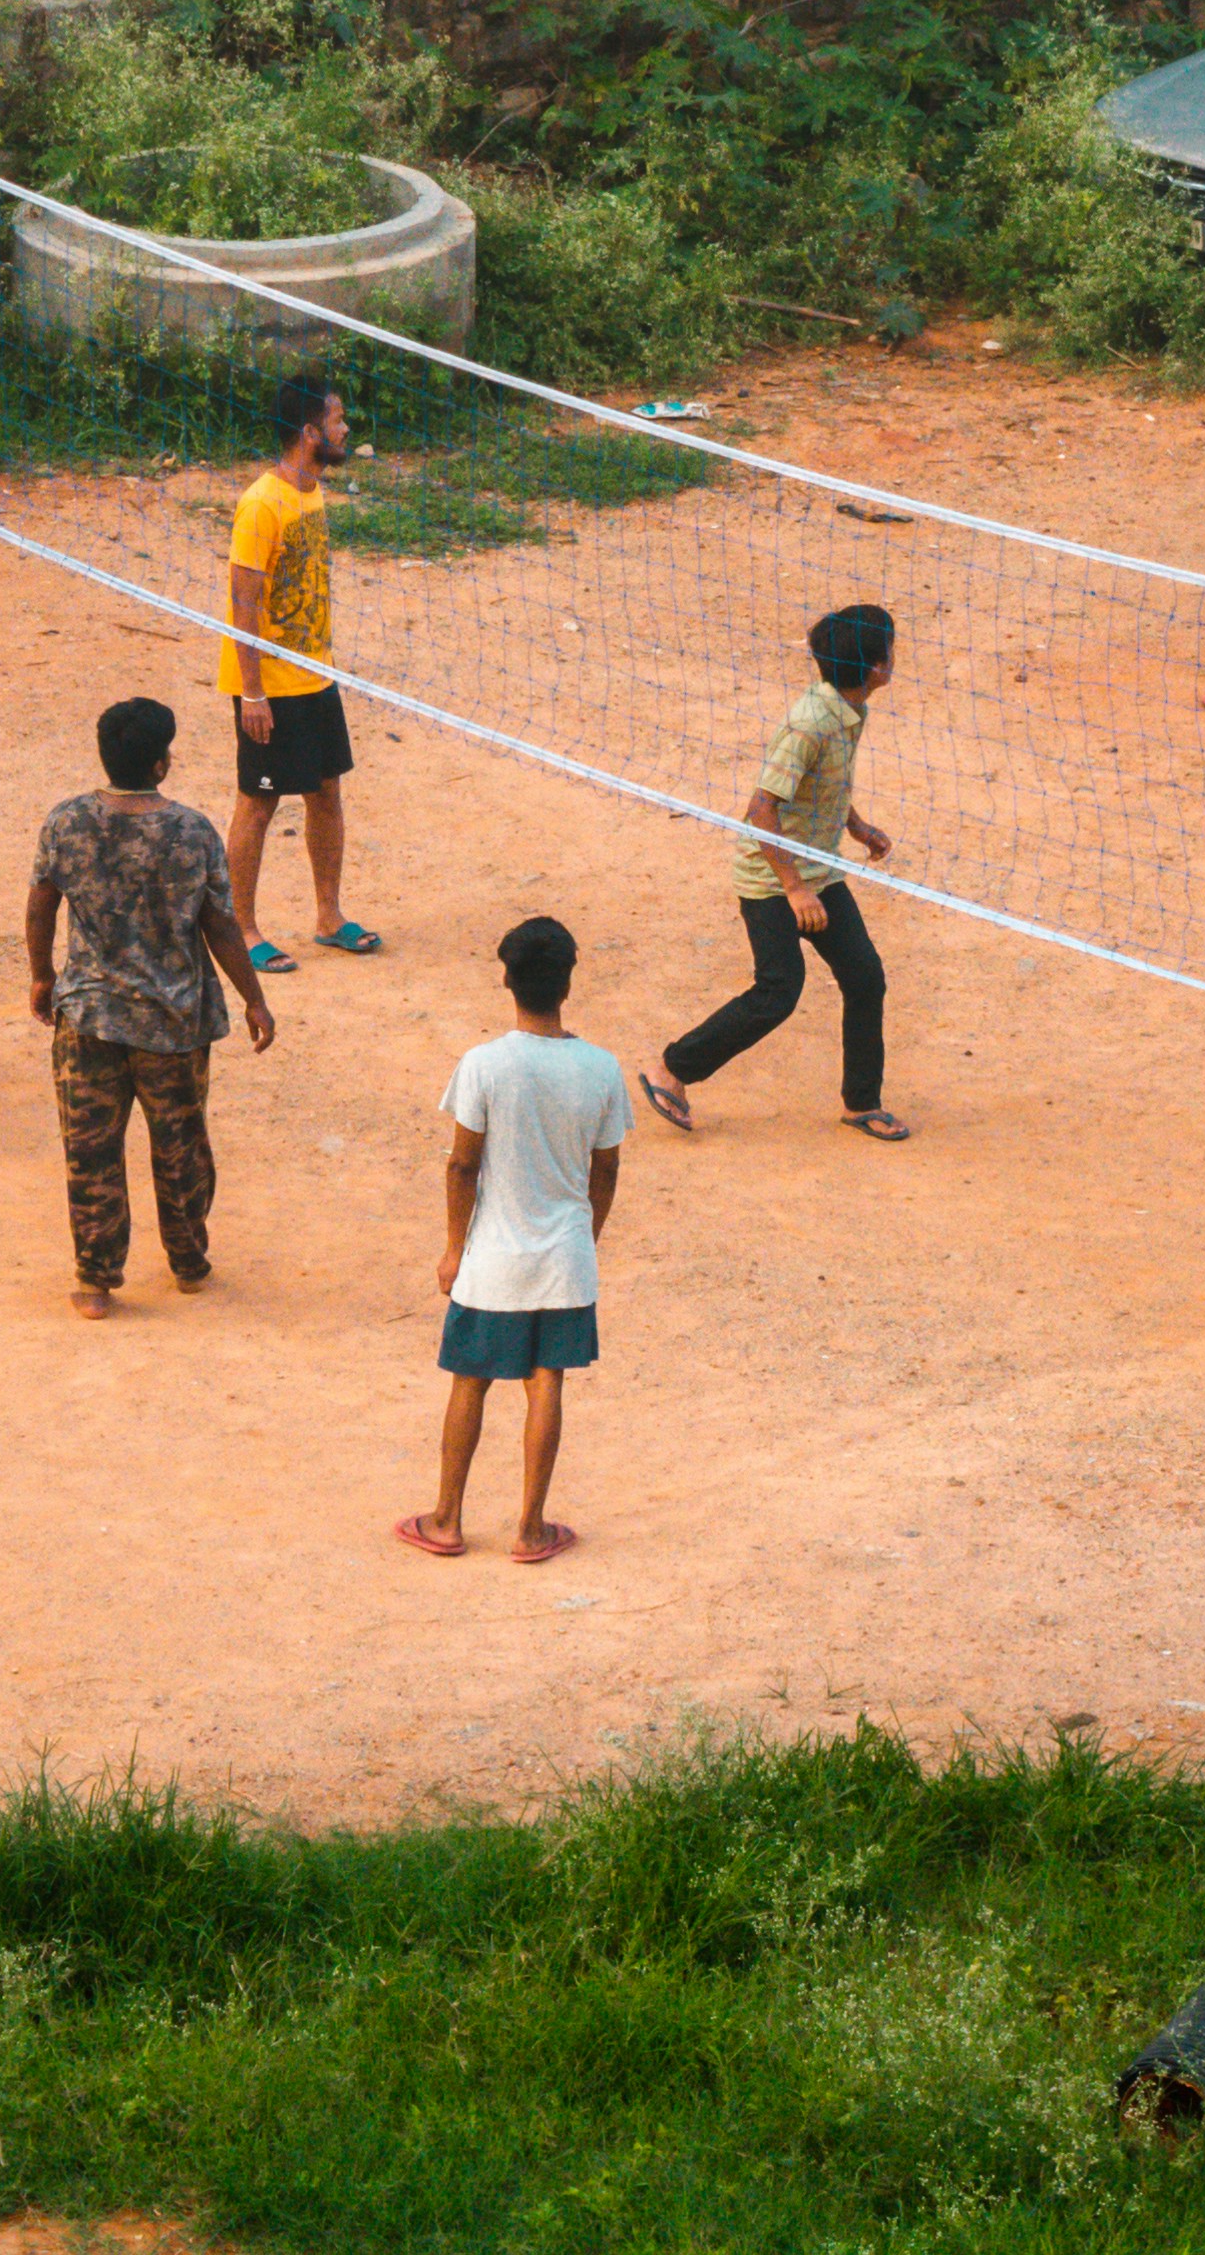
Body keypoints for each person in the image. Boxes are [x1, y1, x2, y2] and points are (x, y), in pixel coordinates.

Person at [26, 694, 274, 1317]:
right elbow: (220, 924)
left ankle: (95, 1278)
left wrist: (40, 976)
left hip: (88, 1018)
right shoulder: (191, 832)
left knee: (91, 1150)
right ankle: (188, 1262)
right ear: (161, 764)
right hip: (174, 1022)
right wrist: (254, 998)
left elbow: (40, 904)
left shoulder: (65, 822)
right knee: (182, 1147)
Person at [643, 606, 911, 1141]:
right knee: (779, 990)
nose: (896, 656)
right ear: (877, 667)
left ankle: (862, 1101)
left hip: (819, 871)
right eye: (891, 647)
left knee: (865, 978)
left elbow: (825, 786)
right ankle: (672, 1070)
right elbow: (762, 808)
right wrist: (793, 888)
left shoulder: (850, 709)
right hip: (771, 877)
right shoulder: (810, 723)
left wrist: (856, 827)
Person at [405, 916, 625, 1568]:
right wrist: (586, 1239)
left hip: (493, 1257)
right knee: (545, 1380)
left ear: (508, 980)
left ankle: (446, 1519)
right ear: (567, 982)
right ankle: (529, 1528)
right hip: (564, 1257)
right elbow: (605, 1170)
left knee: (469, 1381)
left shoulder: (485, 1064)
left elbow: (462, 1165)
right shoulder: (601, 1068)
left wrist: (452, 1247)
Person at [221, 374, 356, 960]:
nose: (345, 429)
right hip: (269, 686)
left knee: (326, 794)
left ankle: (329, 916)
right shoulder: (260, 504)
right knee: (259, 800)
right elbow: (241, 601)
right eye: (337, 421)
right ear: (309, 433)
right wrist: (253, 695)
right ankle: (241, 929)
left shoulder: (312, 492)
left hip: (314, 674)